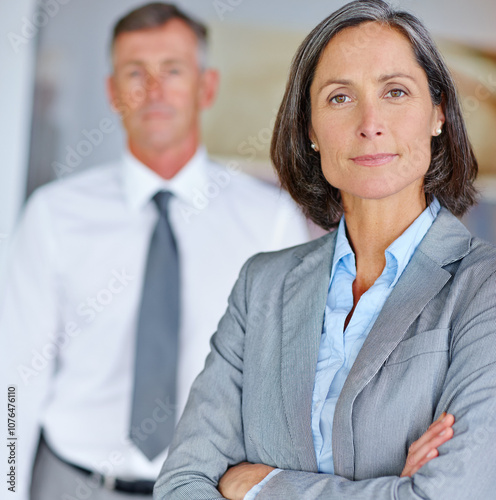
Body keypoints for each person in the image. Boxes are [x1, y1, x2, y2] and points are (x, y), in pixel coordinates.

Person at [155, 1, 496, 498]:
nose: (370, 122)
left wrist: (260, 484)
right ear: (311, 129)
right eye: (340, 98)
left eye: (396, 91)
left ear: (438, 113)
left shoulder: (483, 289)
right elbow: (181, 484)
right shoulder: (262, 286)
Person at [0, 3, 309, 499]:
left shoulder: (270, 223)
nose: (154, 89)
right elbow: (14, 378)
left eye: (173, 70)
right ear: (112, 91)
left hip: (207, 488)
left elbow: (291, 384)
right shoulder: (54, 215)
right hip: (71, 483)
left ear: (206, 87)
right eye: (135, 72)